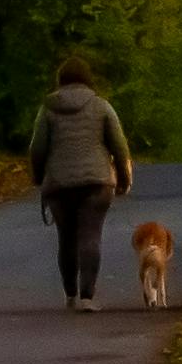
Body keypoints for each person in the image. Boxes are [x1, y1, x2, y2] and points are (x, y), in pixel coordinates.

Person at [24, 53, 134, 311]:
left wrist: (39, 177)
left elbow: (36, 149)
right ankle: (88, 297)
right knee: (90, 235)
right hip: (97, 183)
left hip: (60, 186)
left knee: (66, 238)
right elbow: (120, 147)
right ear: (88, 79)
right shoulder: (101, 106)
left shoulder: (48, 108)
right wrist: (124, 180)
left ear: (60, 80)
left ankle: (70, 295)